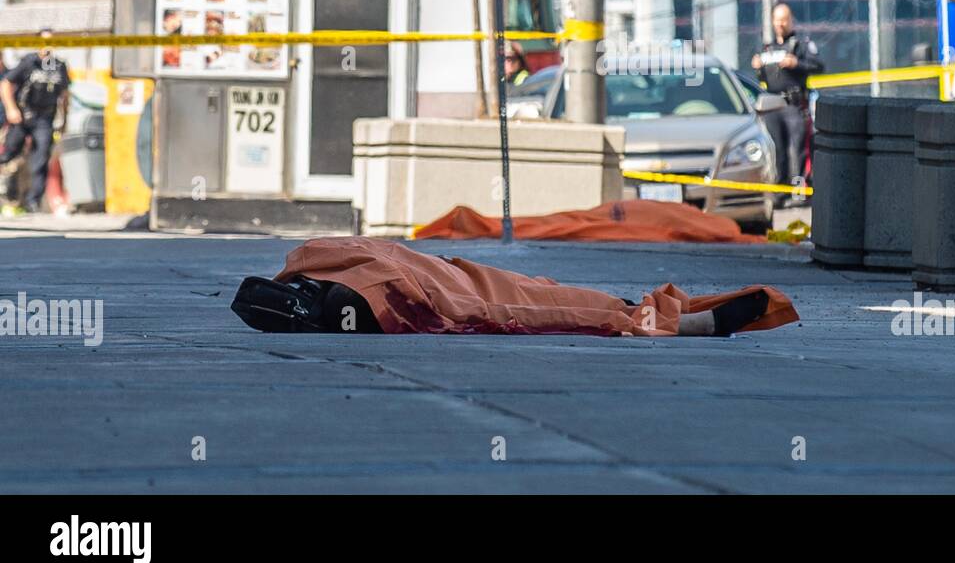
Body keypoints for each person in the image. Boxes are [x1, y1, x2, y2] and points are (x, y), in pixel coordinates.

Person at [231, 236, 800, 337]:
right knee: (542, 298)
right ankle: (651, 316)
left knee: (535, 301)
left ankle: (646, 317)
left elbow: (434, 302)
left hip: (452, 282)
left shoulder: (327, 282)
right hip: (454, 277)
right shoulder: (310, 261)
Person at [751, 4, 824, 191]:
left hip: (795, 105)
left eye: (784, 19)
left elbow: (819, 66)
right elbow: (763, 78)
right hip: (772, 106)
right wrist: (758, 66)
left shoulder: (801, 45)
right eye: (777, 20)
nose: (781, 24)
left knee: (799, 149)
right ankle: (780, 190)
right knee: (778, 149)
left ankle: (800, 188)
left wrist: (796, 63)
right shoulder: (767, 48)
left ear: (791, 21)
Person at [0, 30, 70, 215]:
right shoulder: (29, 62)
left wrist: (64, 121)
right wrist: (11, 109)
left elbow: (64, 95)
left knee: (40, 159)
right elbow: (6, 83)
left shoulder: (59, 66)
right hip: (23, 115)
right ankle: (7, 197)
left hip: (45, 118)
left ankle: (33, 202)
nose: (48, 47)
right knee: (7, 155)